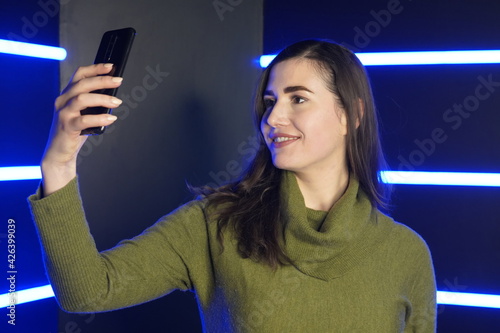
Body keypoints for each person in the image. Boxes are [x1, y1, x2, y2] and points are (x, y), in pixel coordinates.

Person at [29, 40, 436, 332]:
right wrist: (59, 162)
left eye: (298, 99)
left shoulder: (406, 255)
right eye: (271, 101)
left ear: (351, 114)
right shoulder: (217, 224)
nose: (272, 119)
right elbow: (87, 292)